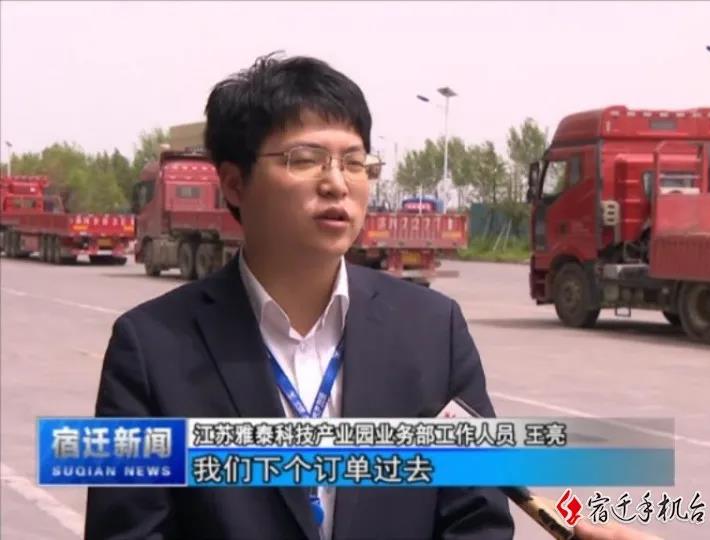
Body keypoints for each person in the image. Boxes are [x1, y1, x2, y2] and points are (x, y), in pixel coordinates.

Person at [85, 53, 657, 540]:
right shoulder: (150, 347)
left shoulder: (433, 331)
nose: (337, 182)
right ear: (234, 183)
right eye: (304, 159)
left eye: (355, 162)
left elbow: (475, 521)